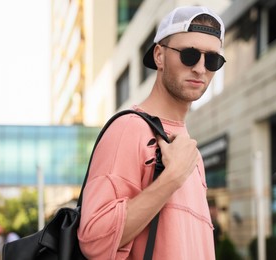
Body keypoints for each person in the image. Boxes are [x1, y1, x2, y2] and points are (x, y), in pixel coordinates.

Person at [78, 5, 226, 259]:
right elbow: (93, 238)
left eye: (212, 60)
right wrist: (172, 178)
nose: (201, 69)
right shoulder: (129, 129)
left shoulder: (190, 150)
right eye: (189, 55)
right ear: (159, 55)